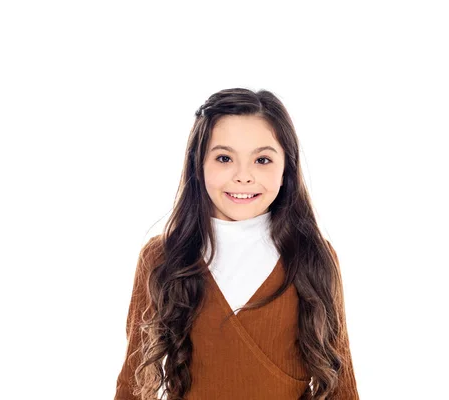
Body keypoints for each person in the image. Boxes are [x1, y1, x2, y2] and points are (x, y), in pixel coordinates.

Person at [114, 88, 359, 400]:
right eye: (224, 158)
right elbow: (133, 382)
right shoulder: (162, 257)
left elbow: (341, 383)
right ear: (198, 166)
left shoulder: (312, 255)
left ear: (286, 170)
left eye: (262, 159)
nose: (244, 176)